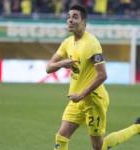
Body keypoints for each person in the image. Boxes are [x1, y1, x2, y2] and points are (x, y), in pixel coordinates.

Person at [46, 4, 140, 150]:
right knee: (61, 137)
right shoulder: (67, 43)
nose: (70, 20)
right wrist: (62, 63)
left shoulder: (91, 44)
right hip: (76, 100)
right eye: (68, 17)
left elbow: (102, 75)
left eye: (75, 17)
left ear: (84, 21)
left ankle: (137, 127)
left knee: (98, 147)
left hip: (93, 100)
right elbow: (48, 67)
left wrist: (82, 94)